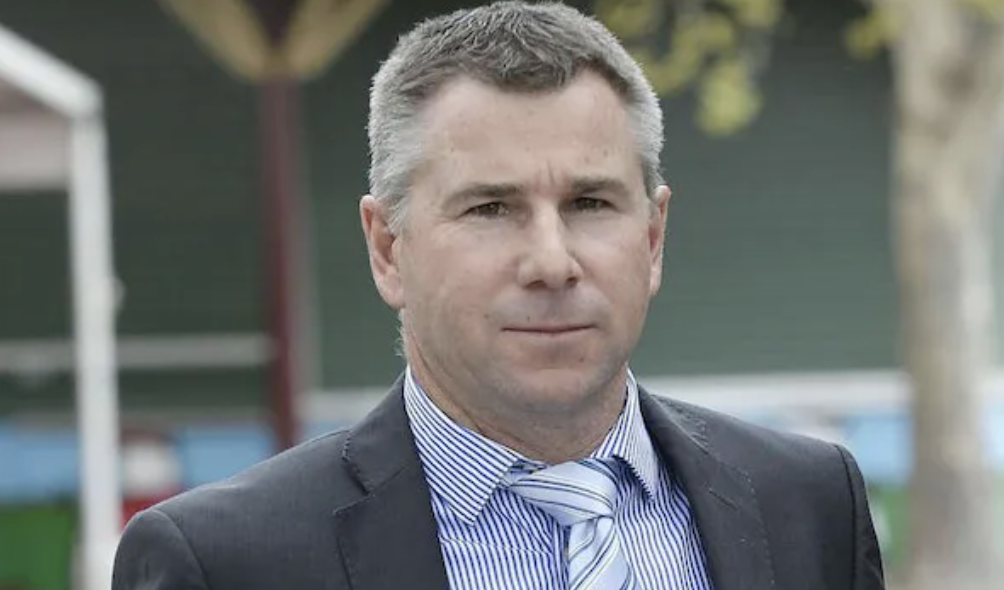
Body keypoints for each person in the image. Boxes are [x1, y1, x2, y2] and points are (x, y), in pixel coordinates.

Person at [112, 2, 886, 589]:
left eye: (590, 203)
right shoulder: (224, 564)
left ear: (653, 239)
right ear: (387, 249)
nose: (552, 262)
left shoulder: (811, 506)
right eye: (490, 208)